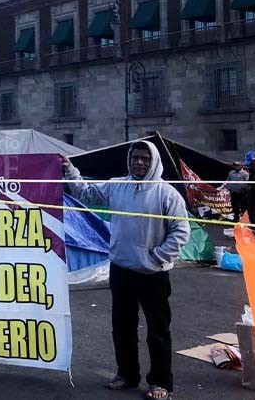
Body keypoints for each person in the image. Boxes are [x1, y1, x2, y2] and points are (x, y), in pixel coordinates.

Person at [62, 141, 190, 400]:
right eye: (135, 158)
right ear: (129, 160)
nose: (139, 162)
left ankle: (161, 382)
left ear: (153, 162)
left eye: (145, 158)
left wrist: (157, 258)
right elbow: (87, 193)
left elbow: (181, 231)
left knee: (158, 331)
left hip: (153, 274)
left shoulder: (167, 193)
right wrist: (70, 170)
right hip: (121, 270)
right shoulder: (117, 185)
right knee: (122, 328)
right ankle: (127, 374)